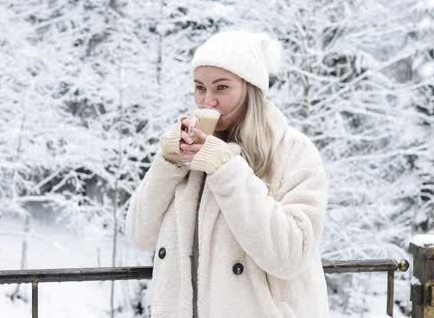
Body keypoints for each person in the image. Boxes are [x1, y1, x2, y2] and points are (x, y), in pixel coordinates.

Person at [124, 30, 330, 318]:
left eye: (222, 88)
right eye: (200, 87)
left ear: (250, 88)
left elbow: (290, 255)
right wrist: (167, 162)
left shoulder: (293, 150)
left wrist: (225, 168)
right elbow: (138, 235)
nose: (208, 101)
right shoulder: (188, 154)